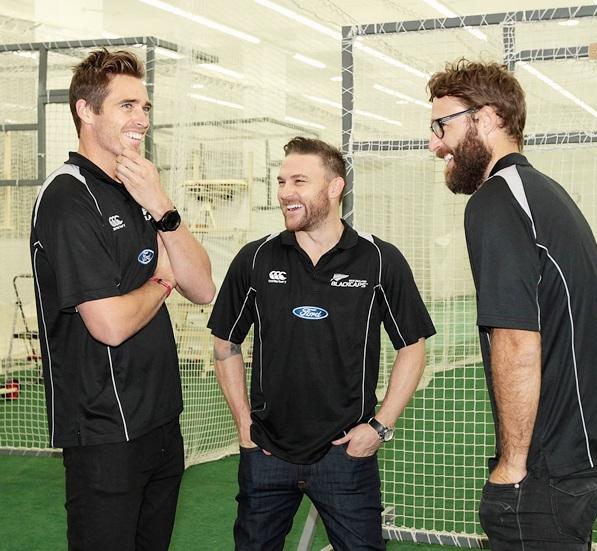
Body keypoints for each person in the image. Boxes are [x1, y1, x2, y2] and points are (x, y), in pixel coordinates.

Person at [427, 59, 597, 550]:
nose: (435, 144)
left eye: (442, 125)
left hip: (548, 463)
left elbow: (517, 338)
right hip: (583, 454)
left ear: (488, 117)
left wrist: (514, 465)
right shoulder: (548, 194)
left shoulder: (496, 201)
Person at [208, 136, 436, 550]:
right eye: (280, 181)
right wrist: (243, 422)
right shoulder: (255, 259)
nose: (285, 193)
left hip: (345, 454)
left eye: (299, 181)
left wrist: (380, 427)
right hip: (266, 453)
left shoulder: (379, 260)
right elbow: (225, 343)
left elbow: (412, 346)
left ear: (335, 188)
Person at [30, 48, 215, 551]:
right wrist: (160, 282)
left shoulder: (139, 188)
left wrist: (163, 207)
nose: (142, 120)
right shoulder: (68, 198)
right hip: (105, 431)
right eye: (127, 106)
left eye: (146, 107)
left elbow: (202, 288)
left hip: (160, 420)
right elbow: (108, 325)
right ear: (86, 111)